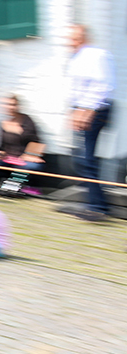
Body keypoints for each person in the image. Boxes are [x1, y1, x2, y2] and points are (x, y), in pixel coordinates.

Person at [61, 24, 116, 221]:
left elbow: (104, 85)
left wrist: (88, 111)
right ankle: (90, 200)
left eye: (73, 38)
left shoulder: (97, 55)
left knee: (86, 159)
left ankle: (98, 207)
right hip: (81, 111)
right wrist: (73, 111)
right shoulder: (77, 58)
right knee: (80, 158)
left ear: (82, 38)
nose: (69, 42)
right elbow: (76, 89)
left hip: (95, 111)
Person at [0, 94, 45, 196]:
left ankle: (11, 187)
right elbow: (1, 147)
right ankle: (4, 183)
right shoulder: (2, 124)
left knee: (31, 166)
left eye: (13, 105)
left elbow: (37, 143)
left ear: (18, 106)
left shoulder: (27, 121)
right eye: (7, 105)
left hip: (23, 162)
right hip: (7, 161)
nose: (10, 107)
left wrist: (31, 155)